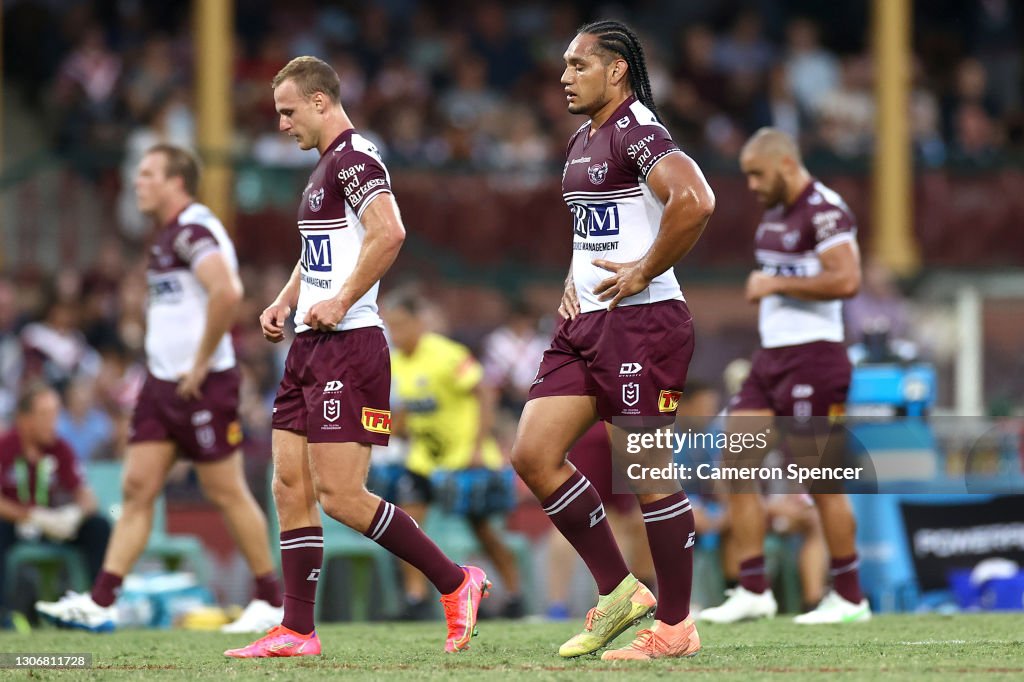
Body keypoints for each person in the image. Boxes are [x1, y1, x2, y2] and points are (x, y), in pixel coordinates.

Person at [227, 57, 489, 658]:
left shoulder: (355, 159)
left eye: (289, 111)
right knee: (289, 484)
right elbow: (320, 252)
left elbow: (389, 232)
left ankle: (456, 581)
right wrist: (285, 299)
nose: (283, 124)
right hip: (308, 345)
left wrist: (341, 301)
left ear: (321, 102)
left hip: (351, 345)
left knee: (341, 495)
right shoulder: (324, 169)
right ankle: (297, 630)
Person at [510, 21, 715, 661]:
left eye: (577, 65)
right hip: (583, 323)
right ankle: (619, 590)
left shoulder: (639, 130)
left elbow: (696, 200)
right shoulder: (581, 139)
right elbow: (598, 228)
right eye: (564, 66)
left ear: (617, 68)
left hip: (642, 322)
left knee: (646, 472)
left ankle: (677, 627)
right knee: (533, 454)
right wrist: (571, 284)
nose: (565, 76)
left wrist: (645, 269)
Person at [36, 144, 284, 633]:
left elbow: (228, 292)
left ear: (176, 181)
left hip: (202, 383)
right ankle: (103, 600)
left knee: (225, 490)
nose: (137, 181)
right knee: (136, 488)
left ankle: (271, 600)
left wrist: (198, 363)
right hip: (161, 384)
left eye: (148, 174)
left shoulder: (194, 230)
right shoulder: (165, 237)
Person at [699, 127, 870, 625]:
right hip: (771, 357)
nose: (750, 184)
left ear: (785, 164)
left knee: (820, 482)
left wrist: (775, 281)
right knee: (735, 464)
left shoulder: (825, 209)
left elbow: (847, 279)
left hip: (815, 358)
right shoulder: (775, 212)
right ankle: (754, 589)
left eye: (757, 173)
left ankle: (851, 597)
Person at [382, 291, 523, 619]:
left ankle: (515, 595)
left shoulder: (447, 355)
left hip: (463, 458)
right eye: (392, 327)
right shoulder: (396, 362)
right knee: (407, 524)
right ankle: (415, 599)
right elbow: (404, 413)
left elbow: (484, 394)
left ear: (420, 323)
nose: (397, 333)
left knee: (483, 530)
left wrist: (477, 446)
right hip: (424, 460)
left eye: (402, 325)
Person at [1, 384, 110, 627]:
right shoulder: (4, 448)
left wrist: (74, 514)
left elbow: (87, 496)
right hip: (15, 526)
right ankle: (3, 614)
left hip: (54, 527)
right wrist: (29, 516)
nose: (53, 422)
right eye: (45, 415)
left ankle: (98, 607)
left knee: (99, 526)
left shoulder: (61, 449)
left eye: (56, 415)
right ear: (24, 418)